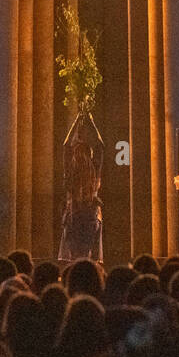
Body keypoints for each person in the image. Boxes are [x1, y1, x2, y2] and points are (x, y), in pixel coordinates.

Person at [58, 111, 104, 262]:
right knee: (89, 255)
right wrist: (91, 121)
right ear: (89, 154)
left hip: (74, 215)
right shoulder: (94, 167)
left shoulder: (71, 170)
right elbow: (100, 145)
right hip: (91, 215)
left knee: (74, 256)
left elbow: (66, 145)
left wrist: (77, 120)